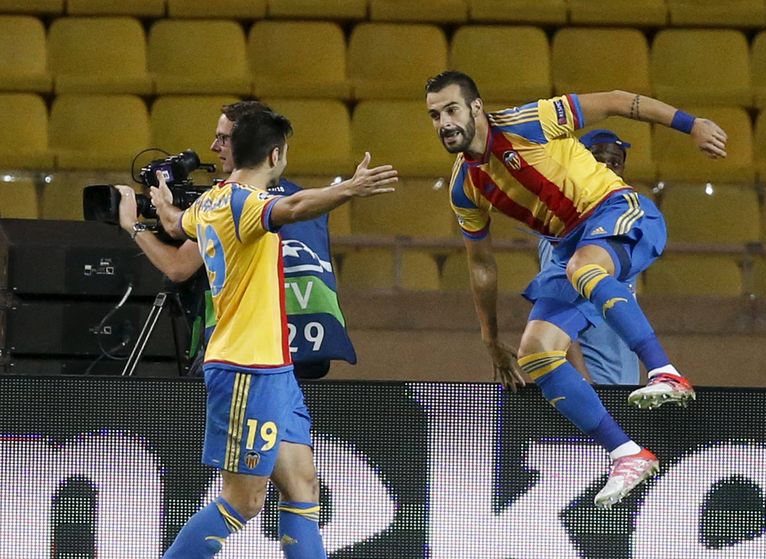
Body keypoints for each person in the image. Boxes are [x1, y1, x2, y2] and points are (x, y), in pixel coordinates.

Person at [425, 70, 727, 508]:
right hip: (569, 247)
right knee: (537, 353)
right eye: (434, 115)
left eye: (451, 110)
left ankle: (665, 372)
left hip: (619, 212)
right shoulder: (464, 187)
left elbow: (620, 99)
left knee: (584, 268)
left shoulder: (531, 121)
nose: (444, 123)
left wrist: (692, 124)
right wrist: (491, 339)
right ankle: (626, 453)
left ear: (475, 107)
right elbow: (482, 267)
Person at [152, 109, 397, 557]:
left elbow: (173, 224)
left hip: (274, 366)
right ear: (275, 154)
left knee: (302, 486)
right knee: (243, 501)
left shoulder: (211, 201)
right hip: (248, 367)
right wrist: (351, 188)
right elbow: (296, 206)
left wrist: (157, 201)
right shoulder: (244, 203)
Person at [115, 100, 352, 378]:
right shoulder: (308, 201)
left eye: (223, 139)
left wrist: (133, 225)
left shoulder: (229, 202)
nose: (214, 148)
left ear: (247, 143)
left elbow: (177, 268)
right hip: (307, 352)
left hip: (243, 358)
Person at [538, 129, 639, 385]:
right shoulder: (562, 229)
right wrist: (584, 383)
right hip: (590, 387)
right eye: (597, 160)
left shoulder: (621, 229)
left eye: (615, 163)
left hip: (624, 385)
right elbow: (556, 311)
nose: (606, 169)